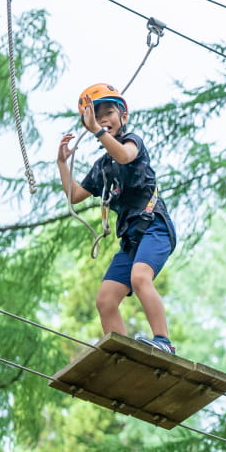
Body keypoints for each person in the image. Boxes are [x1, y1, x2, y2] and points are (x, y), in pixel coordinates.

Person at [57, 83, 178, 354]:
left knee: (140, 277)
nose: (103, 120)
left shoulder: (132, 142)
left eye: (109, 113)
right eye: (97, 117)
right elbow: (75, 195)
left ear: (123, 116)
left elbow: (124, 156)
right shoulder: (102, 167)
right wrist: (62, 164)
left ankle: (163, 341)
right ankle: (122, 354)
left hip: (154, 226)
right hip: (130, 239)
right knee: (106, 300)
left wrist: (97, 131)